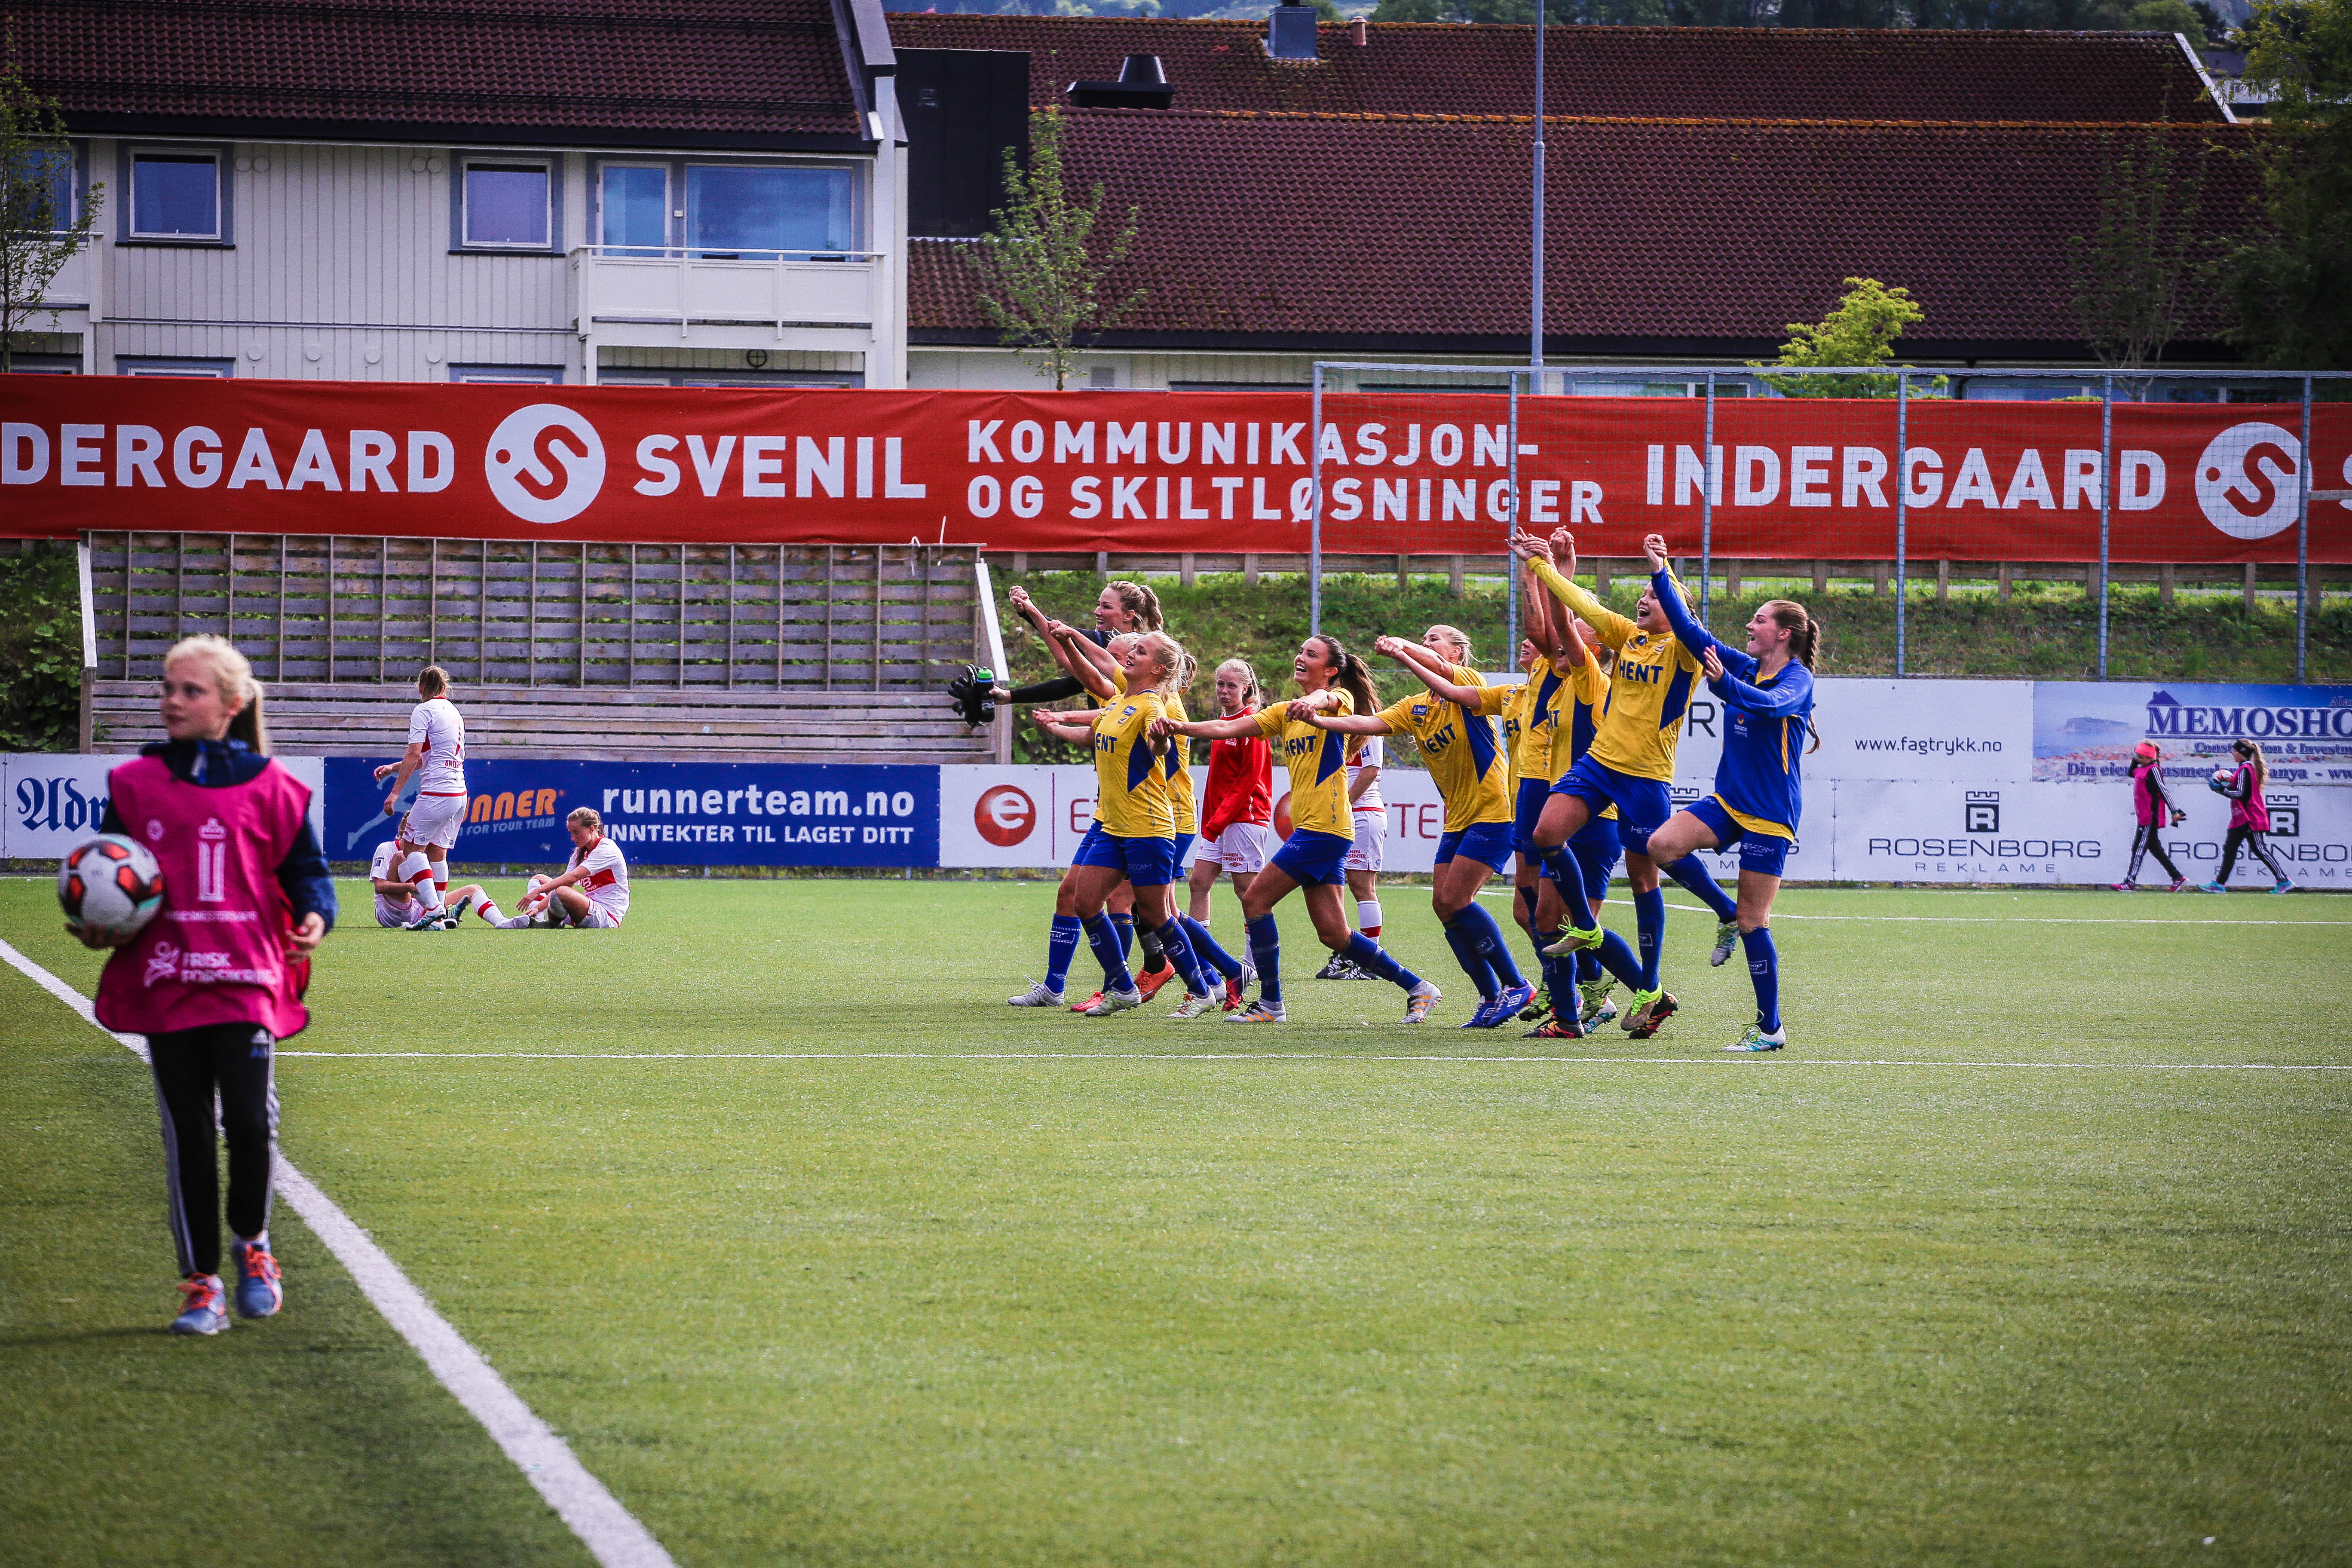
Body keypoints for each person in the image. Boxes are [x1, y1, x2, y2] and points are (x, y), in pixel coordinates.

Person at [76, 634, 334, 1336]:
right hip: (166, 980)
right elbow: (109, 875)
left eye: (190, 690)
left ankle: (253, 1246)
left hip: (247, 978)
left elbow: (308, 874)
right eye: (167, 688)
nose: (172, 700)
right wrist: (103, 925)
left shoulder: (275, 787)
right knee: (187, 1135)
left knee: (249, 1123)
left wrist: (316, 915)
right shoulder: (134, 785)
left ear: (231, 703)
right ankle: (200, 1284)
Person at [1162, 635, 1440, 1025]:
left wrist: (1313, 703)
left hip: (1325, 829)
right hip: (1316, 829)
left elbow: (1327, 699)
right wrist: (1180, 727)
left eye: (1311, 654)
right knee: (1335, 935)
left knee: (1255, 901)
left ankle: (1271, 1004)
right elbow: (1228, 728)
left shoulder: (1339, 697)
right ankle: (1419, 987)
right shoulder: (1284, 712)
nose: (1300, 657)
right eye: (1300, 651)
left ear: (1330, 671)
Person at [1513, 528, 1708, 1040]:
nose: (1644, 601)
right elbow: (1575, 613)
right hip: (1600, 768)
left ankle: (1643, 989)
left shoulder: (1679, 650)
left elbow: (1571, 624)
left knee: (1642, 882)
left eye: (1653, 597)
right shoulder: (1625, 641)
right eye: (1642, 595)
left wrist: (1660, 570)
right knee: (1545, 851)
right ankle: (1584, 965)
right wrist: (1546, 568)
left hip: (1639, 782)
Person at [1635, 533, 1821, 1054]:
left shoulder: (1798, 680)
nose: (1749, 626)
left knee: (1755, 920)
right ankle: (1723, 914)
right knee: (1661, 845)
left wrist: (1723, 687)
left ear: (1783, 634)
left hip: (1769, 814)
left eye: (1759, 621)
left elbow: (1768, 706)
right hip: (1729, 801)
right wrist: (1661, 571)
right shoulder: (1744, 666)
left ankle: (1770, 1028)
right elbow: (1691, 632)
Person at [1299, 627, 1536, 1029]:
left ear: (1457, 654)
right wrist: (1320, 720)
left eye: (1434, 640)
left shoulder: (1469, 683)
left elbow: (1438, 668)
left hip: (1494, 809)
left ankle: (1516, 985)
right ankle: (1489, 994)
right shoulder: (1417, 707)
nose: (1426, 645)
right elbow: (1371, 723)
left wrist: (1404, 651)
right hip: (1458, 817)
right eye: (1423, 640)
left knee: (1457, 899)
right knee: (1444, 905)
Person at [1023, 632, 1224, 1017]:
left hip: (1148, 826)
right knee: (1085, 903)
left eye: (1140, 652)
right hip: (1113, 826)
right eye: (1133, 649)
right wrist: (1055, 724)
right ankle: (1123, 987)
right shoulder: (1119, 701)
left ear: (1157, 669)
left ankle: (1202, 991)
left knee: (1157, 915)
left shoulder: (1152, 706)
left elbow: (1159, 745)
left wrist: (1161, 741)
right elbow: (1091, 729)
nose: (1131, 655)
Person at [1187, 658, 1273, 1007]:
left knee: (1248, 894)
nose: (1224, 691)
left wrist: (1218, 820)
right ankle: (1205, 968)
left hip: (1245, 818)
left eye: (1231, 686)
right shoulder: (1223, 723)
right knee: (1198, 883)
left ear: (1246, 689)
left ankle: (1253, 966)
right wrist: (1212, 820)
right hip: (1221, 820)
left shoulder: (1253, 725)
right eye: (1220, 684)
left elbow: (1248, 781)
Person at [374, 665, 466, 931]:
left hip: (437, 792)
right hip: (459, 792)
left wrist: (395, 793)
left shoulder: (423, 710)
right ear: (445, 687)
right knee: (437, 853)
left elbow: (415, 754)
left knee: (411, 849)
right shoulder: (454, 712)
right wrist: (393, 768)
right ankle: (440, 916)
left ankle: (433, 911)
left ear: (421, 687)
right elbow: (428, 756)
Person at [472, 807, 632, 927]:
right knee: (539, 879)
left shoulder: (606, 848)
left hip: (606, 916)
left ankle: (551, 924)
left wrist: (538, 892)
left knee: (560, 891)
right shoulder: (580, 852)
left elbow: (573, 878)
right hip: (587, 907)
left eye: (577, 833)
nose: (573, 838)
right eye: (571, 833)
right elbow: (567, 884)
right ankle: (538, 917)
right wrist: (538, 908)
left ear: (591, 829)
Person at [1316, 729, 1384, 980]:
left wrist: (1343, 804)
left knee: (1362, 886)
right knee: (1336, 886)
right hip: (1346, 816)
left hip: (1363, 813)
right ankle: (1350, 951)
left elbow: (1371, 770)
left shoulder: (1368, 724)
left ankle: (1369, 963)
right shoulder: (1343, 723)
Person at [2200, 739, 2292, 893]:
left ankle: (2283, 880)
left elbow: (2240, 793)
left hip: (2250, 817)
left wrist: (2220, 789)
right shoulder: (2244, 769)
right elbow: (2239, 792)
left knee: (2259, 850)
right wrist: (2225, 789)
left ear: (2242, 753)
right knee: (2230, 849)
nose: (2233, 754)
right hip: (2241, 817)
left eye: (2235, 751)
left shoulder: (2245, 769)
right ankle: (2219, 884)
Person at [2113, 741, 2189, 893]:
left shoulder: (2153, 770)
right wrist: (2136, 758)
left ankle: (2130, 882)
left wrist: (2174, 811)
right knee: (2155, 849)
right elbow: (2131, 773)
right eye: (2137, 757)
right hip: (2143, 816)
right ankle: (2178, 877)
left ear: (2150, 758)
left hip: (2149, 816)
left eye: (2142, 758)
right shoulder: (2143, 768)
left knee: (2138, 849)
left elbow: (2164, 790)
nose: (2139, 760)